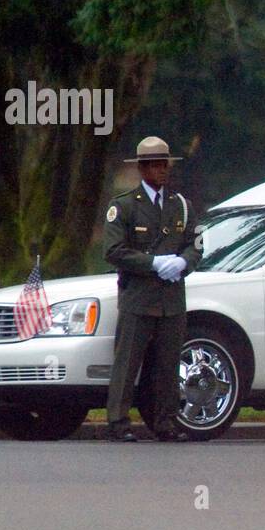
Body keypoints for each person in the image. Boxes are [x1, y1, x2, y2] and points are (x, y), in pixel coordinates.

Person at [102, 136, 202, 442]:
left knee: (167, 362)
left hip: (171, 298)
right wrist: (153, 263)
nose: (162, 170)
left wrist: (183, 263)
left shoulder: (180, 205)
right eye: (155, 165)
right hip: (138, 297)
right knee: (127, 362)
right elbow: (114, 251)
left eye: (165, 164)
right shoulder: (125, 206)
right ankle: (118, 422)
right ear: (142, 168)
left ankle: (165, 421)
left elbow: (195, 246)